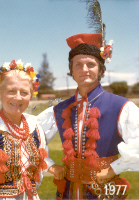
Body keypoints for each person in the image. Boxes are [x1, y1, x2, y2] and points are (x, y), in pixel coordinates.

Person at [37, 33, 139, 199]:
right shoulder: (59, 109)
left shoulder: (121, 106)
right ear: (71, 70)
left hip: (105, 190)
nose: (84, 69)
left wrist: (113, 169)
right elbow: (31, 139)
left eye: (90, 64)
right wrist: (50, 166)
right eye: (78, 64)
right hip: (68, 191)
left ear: (100, 70)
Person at [0, 59, 66, 200]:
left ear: (31, 96)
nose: (18, 97)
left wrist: (52, 166)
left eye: (24, 92)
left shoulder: (35, 127)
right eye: (11, 91)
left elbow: (39, 158)